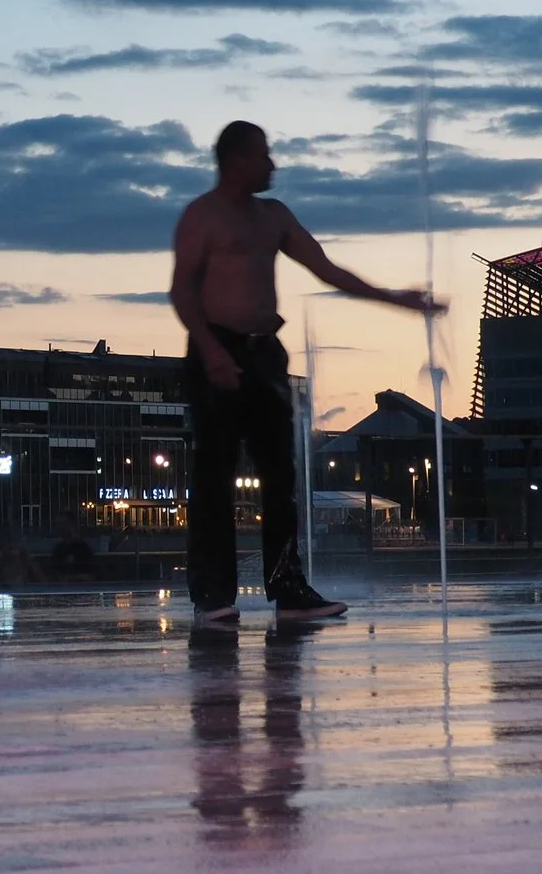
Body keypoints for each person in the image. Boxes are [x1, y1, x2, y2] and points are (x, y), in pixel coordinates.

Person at [170, 120, 440, 625]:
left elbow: (327, 269)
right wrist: (210, 351)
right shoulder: (201, 217)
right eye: (263, 155)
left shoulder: (273, 216)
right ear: (236, 161)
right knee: (214, 476)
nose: (272, 164)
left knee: (282, 474)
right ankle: (212, 595)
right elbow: (182, 290)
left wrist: (395, 298)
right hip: (216, 348)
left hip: (264, 353)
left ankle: (289, 588)